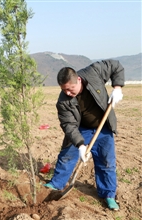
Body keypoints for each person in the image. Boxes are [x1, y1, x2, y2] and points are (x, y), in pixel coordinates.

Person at [44, 60, 124, 211]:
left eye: (70, 88)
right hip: (81, 128)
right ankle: (56, 184)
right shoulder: (63, 101)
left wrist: (117, 87)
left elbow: (115, 66)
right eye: (64, 90)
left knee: (106, 162)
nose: (68, 93)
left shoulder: (94, 72)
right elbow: (68, 125)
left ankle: (108, 194)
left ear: (78, 80)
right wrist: (80, 145)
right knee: (67, 154)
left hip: (103, 127)